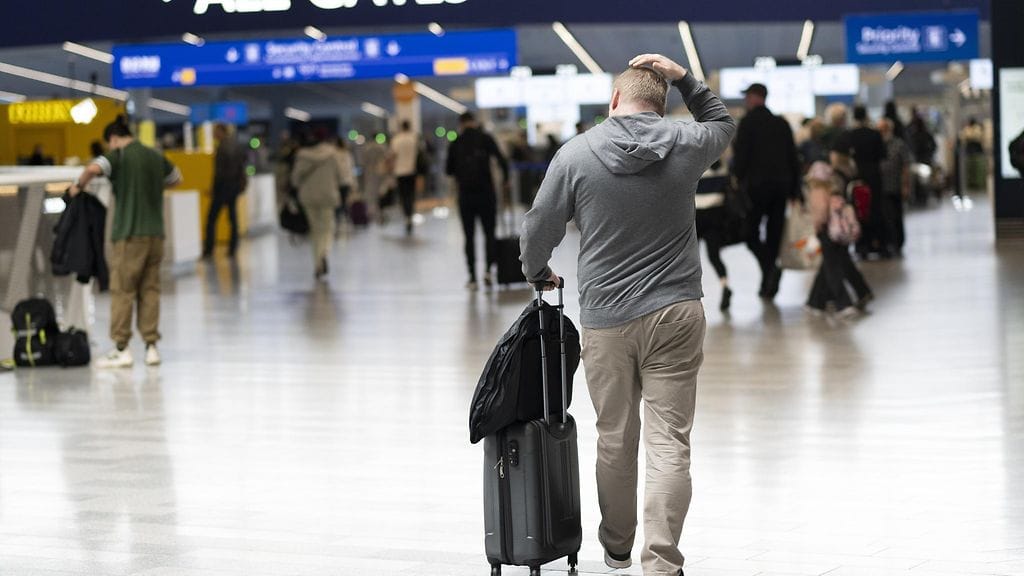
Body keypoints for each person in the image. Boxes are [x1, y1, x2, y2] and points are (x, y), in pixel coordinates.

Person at [521, 53, 735, 576]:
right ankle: (661, 562)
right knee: (669, 440)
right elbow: (723, 123)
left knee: (616, 438)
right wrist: (684, 77)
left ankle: (617, 548)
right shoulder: (685, 143)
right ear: (662, 105)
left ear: (614, 101)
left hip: (607, 319)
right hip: (677, 312)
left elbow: (536, 232)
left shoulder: (575, 155)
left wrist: (538, 272)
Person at [68, 116, 182, 368]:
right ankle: (151, 347)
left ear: (114, 139)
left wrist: (77, 187)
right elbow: (176, 178)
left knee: (123, 290)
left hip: (129, 235)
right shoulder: (154, 155)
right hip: (156, 235)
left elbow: (92, 169)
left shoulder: (117, 156)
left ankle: (122, 348)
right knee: (150, 290)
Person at [731, 82, 801, 300]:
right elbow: (793, 158)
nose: (745, 101)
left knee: (749, 233)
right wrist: (795, 191)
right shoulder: (781, 123)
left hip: (756, 188)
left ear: (754, 97)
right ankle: (768, 281)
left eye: (747, 96)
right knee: (774, 235)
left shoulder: (747, 123)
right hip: (781, 188)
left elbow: (740, 157)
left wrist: (736, 178)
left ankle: (769, 272)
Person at [445, 111, 509, 290]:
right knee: (489, 233)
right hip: (486, 193)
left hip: (466, 195)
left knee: (469, 236)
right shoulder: (485, 138)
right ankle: (489, 271)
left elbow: (448, 170)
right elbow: (502, 160)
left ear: (461, 124)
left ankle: (472, 277)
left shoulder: (456, 142)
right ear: (474, 122)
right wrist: (505, 180)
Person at [805, 161, 873, 318]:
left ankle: (844, 304)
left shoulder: (817, 191)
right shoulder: (834, 191)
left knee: (831, 269)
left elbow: (821, 213)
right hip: (840, 233)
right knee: (833, 264)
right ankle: (815, 302)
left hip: (827, 232)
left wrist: (816, 226)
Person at [291, 130, 346, 280]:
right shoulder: (332, 153)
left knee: (315, 231)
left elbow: (295, 179)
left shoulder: (302, 155)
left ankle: (316, 263)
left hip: (308, 197)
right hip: (328, 195)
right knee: (327, 228)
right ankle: (324, 253)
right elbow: (341, 176)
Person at [834, 105, 888, 258]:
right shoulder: (875, 134)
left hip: (856, 178)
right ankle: (880, 244)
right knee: (876, 208)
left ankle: (861, 245)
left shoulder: (849, 135)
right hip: (874, 176)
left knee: (859, 209)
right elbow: (882, 156)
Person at [203, 123, 247, 259]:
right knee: (232, 218)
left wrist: (213, 188)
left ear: (222, 131)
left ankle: (209, 249)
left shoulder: (222, 148)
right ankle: (233, 248)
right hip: (234, 187)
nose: (213, 134)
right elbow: (242, 167)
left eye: (215, 131)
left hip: (222, 188)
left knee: (211, 219)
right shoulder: (237, 146)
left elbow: (219, 172)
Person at [694, 162, 733, 311]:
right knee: (714, 256)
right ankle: (725, 285)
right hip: (716, 216)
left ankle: (692, 295)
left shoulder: (695, 166)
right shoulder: (723, 168)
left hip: (696, 215)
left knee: (692, 259)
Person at [878, 118, 912, 255]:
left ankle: (898, 242)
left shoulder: (898, 144)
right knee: (887, 216)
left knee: (897, 216)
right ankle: (889, 243)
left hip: (895, 186)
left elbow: (905, 166)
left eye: (883, 129)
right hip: (881, 187)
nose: (881, 132)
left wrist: (905, 186)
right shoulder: (877, 145)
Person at [390, 120, 420, 235]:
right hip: (412, 171)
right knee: (411, 195)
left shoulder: (397, 139)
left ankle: (407, 216)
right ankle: (410, 214)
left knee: (403, 196)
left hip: (400, 172)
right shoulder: (414, 138)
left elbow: (393, 155)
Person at [334, 137, 359, 226]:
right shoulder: (347, 154)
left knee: (339, 201)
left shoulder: (334, 155)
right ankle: (345, 218)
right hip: (347, 180)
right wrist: (354, 183)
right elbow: (351, 169)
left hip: (338, 181)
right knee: (344, 200)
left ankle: (340, 218)